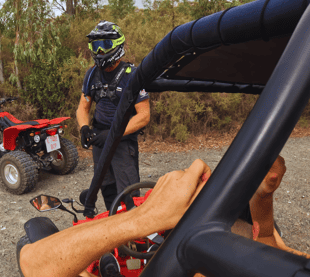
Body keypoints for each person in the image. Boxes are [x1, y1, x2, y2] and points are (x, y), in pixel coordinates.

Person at [19, 156, 310, 277]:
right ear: (255, 231)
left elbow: (34, 263)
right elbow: (271, 241)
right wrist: (264, 194)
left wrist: (143, 218)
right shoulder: (282, 267)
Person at [76, 20, 150, 211]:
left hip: (123, 140)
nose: (100, 52)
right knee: (106, 185)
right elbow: (83, 107)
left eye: (105, 45)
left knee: (128, 190)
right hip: (100, 138)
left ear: (118, 45)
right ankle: (112, 222)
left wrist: (113, 135)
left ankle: (133, 234)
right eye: (96, 46)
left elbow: (143, 116)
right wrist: (84, 128)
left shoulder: (132, 75)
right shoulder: (92, 74)